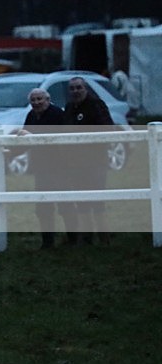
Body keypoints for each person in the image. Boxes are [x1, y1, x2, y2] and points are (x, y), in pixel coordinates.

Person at [62, 76, 115, 245]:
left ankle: (104, 239)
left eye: (79, 88)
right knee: (81, 201)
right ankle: (86, 239)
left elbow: (108, 128)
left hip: (95, 161)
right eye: (72, 88)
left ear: (85, 89)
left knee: (98, 200)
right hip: (75, 163)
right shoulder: (69, 107)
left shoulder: (96, 105)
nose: (76, 91)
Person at [17, 88, 66, 249]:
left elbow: (57, 138)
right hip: (41, 169)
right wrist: (10, 151)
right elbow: (25, 139)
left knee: (65, 205)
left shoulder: (57, 114)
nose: (36, 103)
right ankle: (47, 243)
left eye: (40, 99)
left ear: (47, 99)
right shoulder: (31, 115)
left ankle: (73, 240)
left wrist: (30, 136)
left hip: (60, 167)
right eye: (33, 100)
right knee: (43, 207)